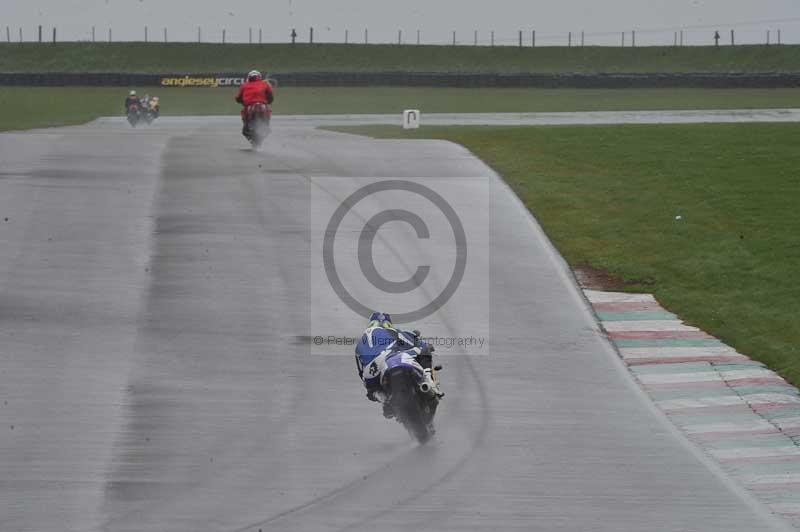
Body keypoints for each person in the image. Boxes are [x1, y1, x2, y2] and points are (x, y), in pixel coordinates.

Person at [354, 312, 441, 419]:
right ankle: (430, 383)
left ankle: (385, 401)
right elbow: (419, 343)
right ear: (388, 324)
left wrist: (370, 386)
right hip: (394, 358)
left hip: (373, 371)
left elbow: (361, 370)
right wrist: (425, 345)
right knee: (425, 351)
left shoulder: (361, 343)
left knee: (373, 390)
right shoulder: (394, 332)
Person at [234, 70, 274, 138]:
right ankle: (266, 127)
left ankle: (250, 131)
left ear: (249, 77)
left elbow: (238, 98)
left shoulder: (244, 85)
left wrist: (241, 101)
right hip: (263, 106)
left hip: (249, 107)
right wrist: (269, 101)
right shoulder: (265, 84)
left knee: (245, 127)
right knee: (267, 119)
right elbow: (270, 96)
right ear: (259, 77)